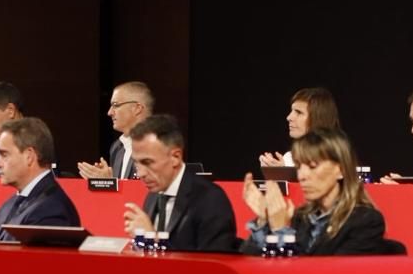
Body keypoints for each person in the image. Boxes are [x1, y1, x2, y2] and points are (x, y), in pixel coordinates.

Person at [241, 129, 387, 255]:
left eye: (312, 166)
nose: (302, 176)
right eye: (299, 166)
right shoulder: (299, 217)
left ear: (341, 170)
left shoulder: (365, 221)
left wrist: (281, 231)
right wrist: (263, 221)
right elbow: (250, 264)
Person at [119, 115, 237, 252]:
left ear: (175, 157)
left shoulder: (210, 199)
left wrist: (153, 239)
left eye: (148, 162)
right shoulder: (153, 196)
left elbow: (214, 266)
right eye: (137, 163)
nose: (140, 174)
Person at [77, 81, 154, 180]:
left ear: (137, 108)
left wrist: (109, 182)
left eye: (116, 105)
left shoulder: (158, 146)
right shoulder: (117, 148)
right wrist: (103, 182)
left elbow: (152, 193)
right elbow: (120, 192)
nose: (109, 112)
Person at [259, 86, 340, 168]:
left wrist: (288, 173)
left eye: (299, 112)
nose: (289, 117)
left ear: (319, 118)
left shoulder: (340, 158)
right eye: (292, 111)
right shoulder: (289, 158)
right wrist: (276, 175)